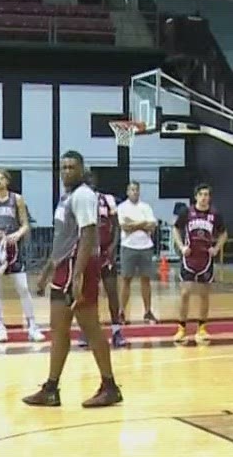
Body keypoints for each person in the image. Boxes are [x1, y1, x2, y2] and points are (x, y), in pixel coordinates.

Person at [22, 151, 121, 409]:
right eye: (63, 167)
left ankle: (110, 386)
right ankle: (51, 388)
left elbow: (88, 235)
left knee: (90, 328)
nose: (67, 171)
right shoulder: (66, 197)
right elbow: (63, 239)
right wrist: (48, 270)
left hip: (80, 267)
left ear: (82, 169)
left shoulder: (84, 195)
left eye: (72, 167)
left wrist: (78, 274)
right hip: (64, 267)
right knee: (59, 329)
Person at [0, 168, 43, 343]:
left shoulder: (16, 199)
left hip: (14, 249)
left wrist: (18, 234)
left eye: (0, 178)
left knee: (23, 288)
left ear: (7, 180)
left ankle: (32, 326)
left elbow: (25, 224)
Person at [79, 172, 127, 350]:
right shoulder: (78, 200)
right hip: (87, 252)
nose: (90, 184)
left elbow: (116, 225)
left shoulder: (108, 200)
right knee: (89, 294)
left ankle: (116, 331)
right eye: (87, 182)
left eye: (92, 181)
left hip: (106, 251)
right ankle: (87, 331)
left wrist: (113, 247)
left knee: (112, 292)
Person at [172, 183, 225, 346]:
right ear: (196, 196)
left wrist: (216, 248)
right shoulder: (187, 212)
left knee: (204, 294)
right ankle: (181, 328)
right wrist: (181, 247)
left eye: (207, 194)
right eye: (201, 194)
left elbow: (224, 233)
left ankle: (202, 327)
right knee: (185, 293)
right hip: (189, 258)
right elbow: (175, 228)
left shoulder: (215, 214)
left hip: (205, 259)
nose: (204, 197)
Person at [115, 180, 161, 324]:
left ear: (139, 191)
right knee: (126, 279)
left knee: (145, 279)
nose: (134, 192)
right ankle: (121, 312)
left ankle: (147, 312)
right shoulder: (122, 207)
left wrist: (134, 223)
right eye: (132, 190)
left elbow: (152, 225)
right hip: (128, 247)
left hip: (145, 247)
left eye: (136, 190)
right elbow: (124, 226)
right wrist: (142, 224)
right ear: (127, 192)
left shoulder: (146, 207)